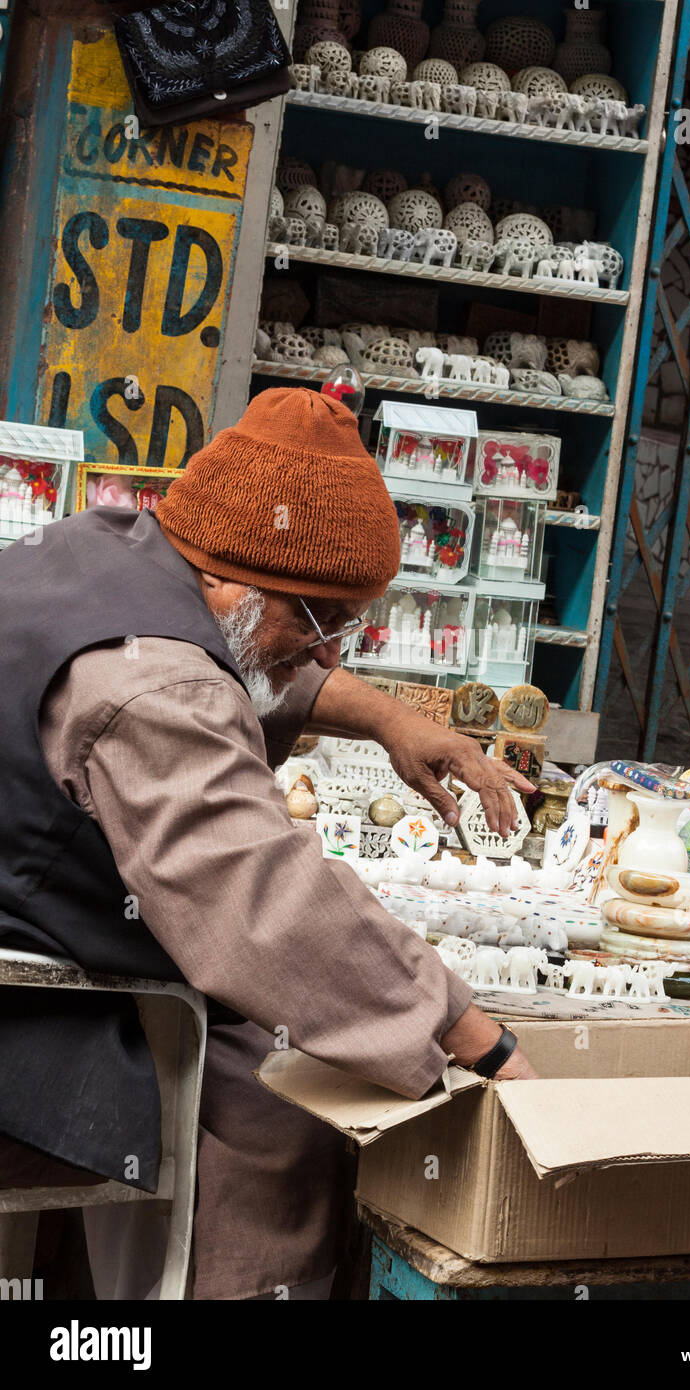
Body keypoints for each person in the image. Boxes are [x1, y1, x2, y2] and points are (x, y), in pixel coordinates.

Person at [0, 388, 537, 1300]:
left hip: (35, 896)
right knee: (282, 1106)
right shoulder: (152, 692)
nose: (331, 655)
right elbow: (265, 910)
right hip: (26, 975)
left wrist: (391, 721)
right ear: (231, 577)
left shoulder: (120, 545)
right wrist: (476, 1038)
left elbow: (241, 663)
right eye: (324, 621)